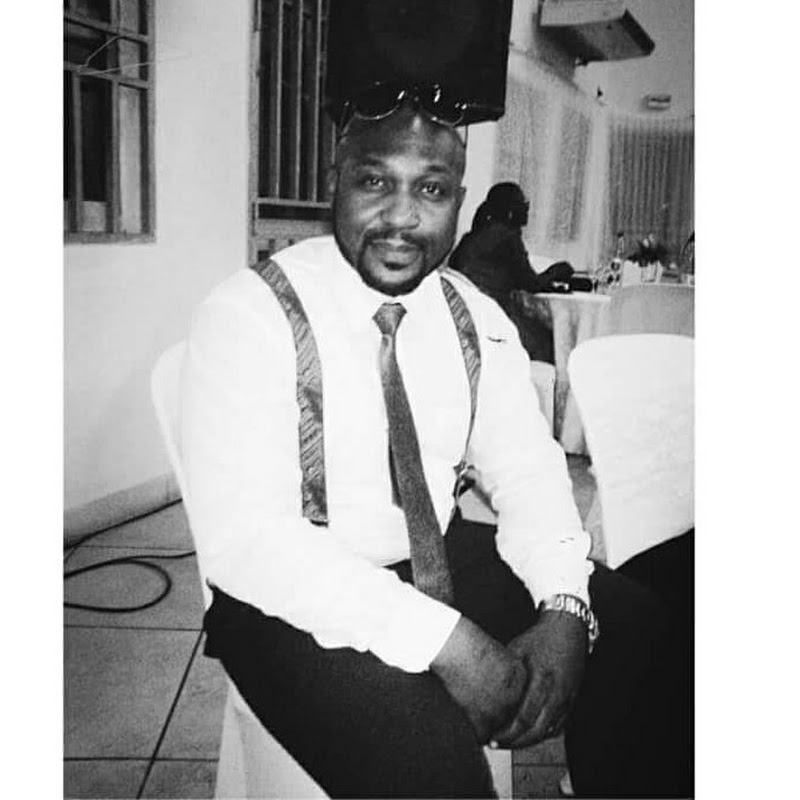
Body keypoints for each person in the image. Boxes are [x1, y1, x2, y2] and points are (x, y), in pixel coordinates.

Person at [181, 99, 691, 798]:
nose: (401, 217)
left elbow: (528, 474)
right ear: (335, 182)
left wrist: (565, 605)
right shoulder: (250, 313)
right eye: (374, 181)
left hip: (429, 555)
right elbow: (247, 541)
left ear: (459, 200)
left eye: (430, 189)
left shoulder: (471, 316)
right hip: (282, 592)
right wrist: (445, 641)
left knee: (640, 629)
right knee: (435, 768)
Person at [448, 182, 574, 363]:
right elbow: (532, 284)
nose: (527, 209)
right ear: (510, 210)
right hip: (495, 318)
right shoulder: (507, 237)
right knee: (552, 342)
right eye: (523, 204)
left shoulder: (472, 236)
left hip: (467, 318)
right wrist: (557, 271)